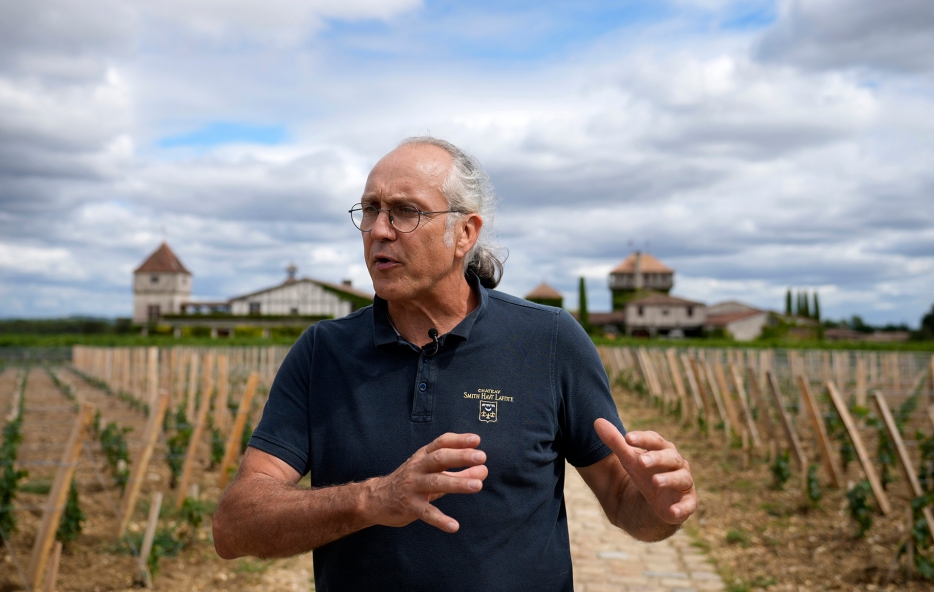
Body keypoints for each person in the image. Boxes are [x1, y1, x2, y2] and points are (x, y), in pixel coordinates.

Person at [212, 137, 697, 591]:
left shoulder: (548, 340)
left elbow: (621, 499)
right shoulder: (323, 352)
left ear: (465, 232)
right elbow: (235, 528)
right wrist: (373, 499)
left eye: (406, 211)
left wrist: (661, 508)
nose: (380, 229)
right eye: (371, 210)